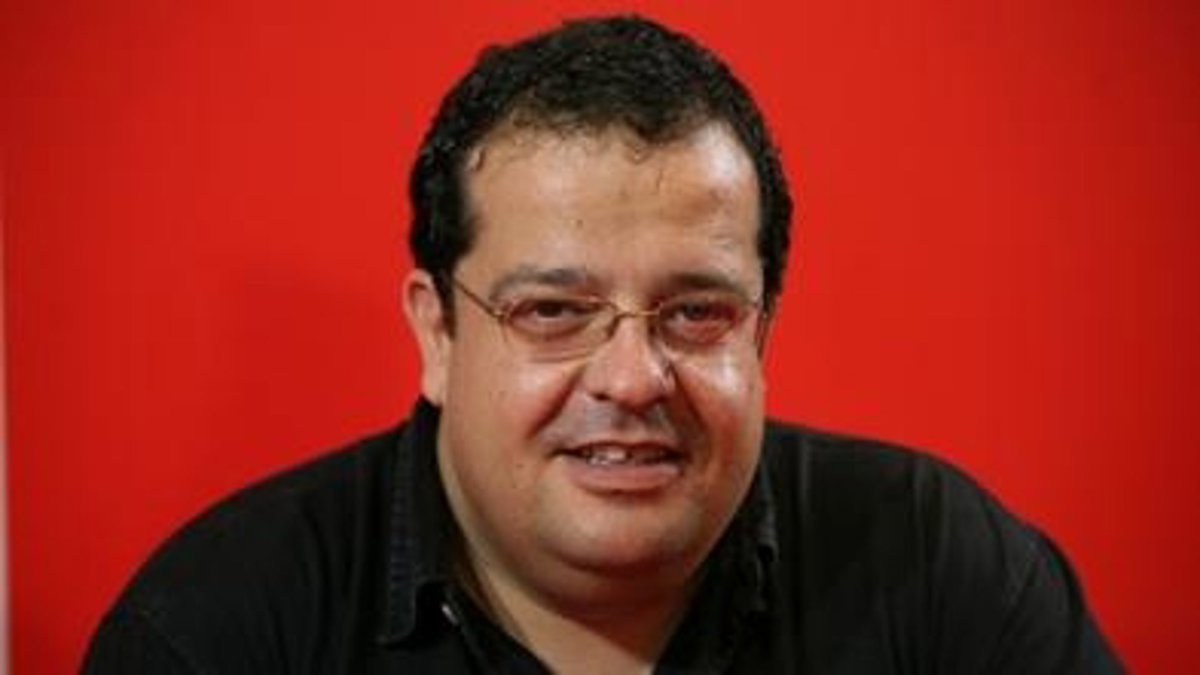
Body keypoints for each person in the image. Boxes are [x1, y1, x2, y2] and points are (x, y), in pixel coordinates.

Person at [83, 15, 1121, 674]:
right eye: (553, 312)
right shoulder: (222, 630)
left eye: (697, 312)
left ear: (761, 330)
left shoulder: (942, 569)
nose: (631, 378)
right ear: (437, 332)